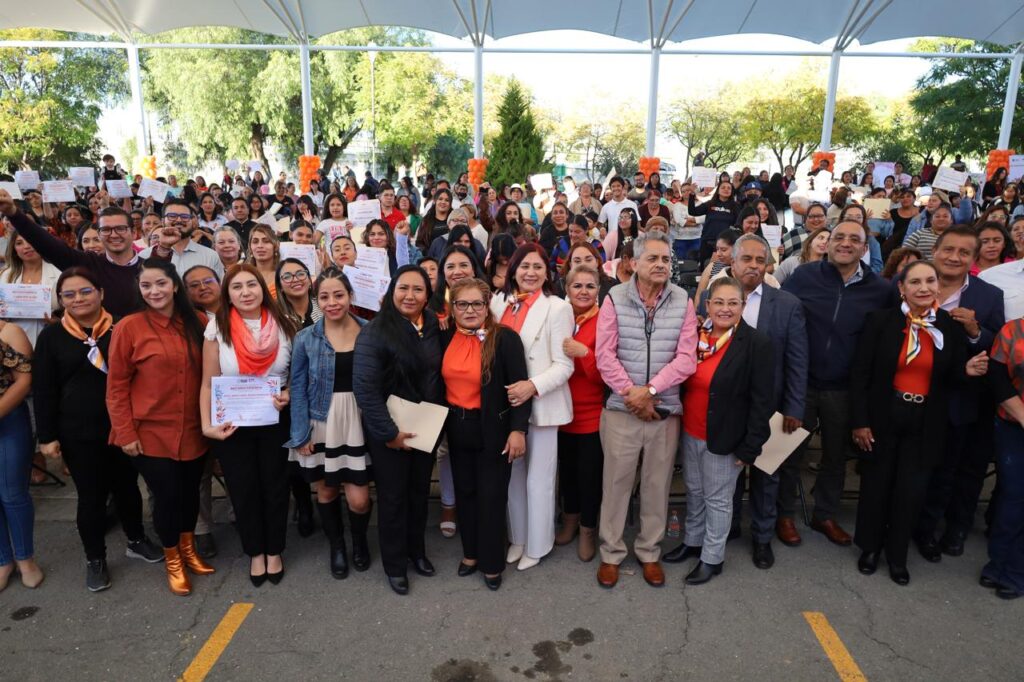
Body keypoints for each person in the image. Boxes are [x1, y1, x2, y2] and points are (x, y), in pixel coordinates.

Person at [851, 261, 987, 585]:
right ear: (902, 288)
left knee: (910, 492)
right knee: (877, 485)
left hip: (925, 420)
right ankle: (870, 548)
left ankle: (897, 555)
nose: (923, 288)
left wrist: (966, 372)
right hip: (885, 415)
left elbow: (952, 376)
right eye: (915, 282)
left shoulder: (948, 328)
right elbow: (860, 376)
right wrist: (860, 421)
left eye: (930, 281)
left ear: (938, 287)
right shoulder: (880, 322)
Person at [33, 268, 162, 591]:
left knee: (128, 488)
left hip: (124, 426)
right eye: (69, 295)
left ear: (101, 293)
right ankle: (95, 558)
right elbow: (44, 389)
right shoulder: (52, 337)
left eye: (85, 291)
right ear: (61, 300)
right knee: (90, 497)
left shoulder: (123, 326)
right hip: (78, 432)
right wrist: (47, 437)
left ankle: (135, 539)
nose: (78, 299)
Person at [594, 230, 698, 589]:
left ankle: (649, 551)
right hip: (623, 410)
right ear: (633, 263)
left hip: (664, 411)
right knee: (616, 485)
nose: (660, 265)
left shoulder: (683, 299)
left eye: (666, 259)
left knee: (658, 486)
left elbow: (687, 358)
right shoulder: (614, 298)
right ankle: (611, 552)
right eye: (652, 258)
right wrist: (631, 394)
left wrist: (651, 391)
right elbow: (604, 355)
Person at [778, 221, 891, 547]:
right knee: (785, 452)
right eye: (839, 237)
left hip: (845, 388)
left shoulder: (880, 290)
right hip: (800, 383)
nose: (845, 243)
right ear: (826, 244)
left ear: (864, 247)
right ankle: (783, 513)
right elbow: (782, 318)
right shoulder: (804, 276)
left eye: (854, 239)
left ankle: (824, 513)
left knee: (835, 457)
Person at [699, 235, 807, 569]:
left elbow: (798, 360)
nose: (754, 266)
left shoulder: (787, 304)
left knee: (766, 476)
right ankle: (728, 528)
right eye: (747, 259)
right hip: (727, 408)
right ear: (732, 262)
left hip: (771, 406)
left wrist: (794, 407)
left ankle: (762, 538)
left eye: (761, 261)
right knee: (727, 473)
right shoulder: (712, 299)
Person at [106, 259, 212, 596]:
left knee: (190, 492)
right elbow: (117, 386)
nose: (154, 291)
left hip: (193, 428)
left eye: (160, 284)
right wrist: (125, 433)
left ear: (175, 285)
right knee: (167, 497)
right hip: (149, 433)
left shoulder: (197, 321)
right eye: (147, 286)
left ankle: (189, 548)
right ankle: (173, 559)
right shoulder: (129, 327)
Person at [670, 277, 775, 584]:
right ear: (707, 305)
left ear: (743, 306)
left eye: (733, 303)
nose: (725, 309)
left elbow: (762, 401)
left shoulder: (757, 344)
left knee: (717, 499)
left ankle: (712, 557)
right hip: (691, 430)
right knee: (695, 490)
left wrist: (750, 446)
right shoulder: (695, 337)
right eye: (718, 302)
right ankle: (692, 541)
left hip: (726, 437)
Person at [912, 227, 1004, 561]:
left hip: (959, 402)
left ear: (974, 258)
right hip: (912, 394)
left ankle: (936, 530)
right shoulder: (912, 283)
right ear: (934, 250)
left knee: (949, 470)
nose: (954, 257)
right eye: (948, 249)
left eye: (964, 253)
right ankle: (905, 524)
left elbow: (998, 345)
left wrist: (976, 331)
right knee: (913, 467)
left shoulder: (988, 295)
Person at [199, 264, 294, 587]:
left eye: (251, 285)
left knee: (275, 485)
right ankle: (255, 551)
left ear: (262, 289)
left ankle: (275, 549)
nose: (245, 292)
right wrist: (206, 425)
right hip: (233, 424)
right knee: (243, 488)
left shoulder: (284, 325)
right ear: (228, 294)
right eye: (237, 287)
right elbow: (208, 383)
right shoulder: (217, 328)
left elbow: (297, 375)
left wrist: (288, 393)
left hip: (274, 419)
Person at [352, 266, 444, 595]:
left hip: (426, 425)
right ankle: (395, 564)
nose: (410, 295)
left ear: (427, 294)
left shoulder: (433, 324)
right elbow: (365, 389)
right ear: (392, 290)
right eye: (403, 288)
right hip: (390, 430)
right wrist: (389, 433)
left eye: (418, 289)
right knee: (392, 498)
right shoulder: (375, 331)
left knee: (418, 492)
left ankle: (416, 552)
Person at [440, 278, 529, 590]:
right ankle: (471, 554)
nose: (469, 310)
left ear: (487, 305)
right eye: (462, 304)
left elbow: (519, 390)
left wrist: (518, 430)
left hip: (493, 427)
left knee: (491, 496)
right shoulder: (444, 337)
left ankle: (492, 563)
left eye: (477, 303)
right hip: (456, 426)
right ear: (452, 308)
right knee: (465, 491)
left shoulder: (505, 339)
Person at [490, 244, 574, 571]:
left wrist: (532, 386)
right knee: (513, 476)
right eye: (524, 266)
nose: (530, 273)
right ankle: (519, 538)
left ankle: (538, 545)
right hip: (507, 404)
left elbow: (564, 365)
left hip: (541, 404)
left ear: (547, 272)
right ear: (513, 269)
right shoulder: (500, 303)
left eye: (538, 267)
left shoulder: (557, 308)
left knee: (539, 479)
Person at [286, 268, 373, 579]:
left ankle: (360, 541)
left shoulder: (369, 331)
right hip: (321, 420)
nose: (332, 302)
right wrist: (300, 434)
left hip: (359, 421)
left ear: (350, 296)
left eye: (339, 295)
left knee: (359, 498)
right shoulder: (306, 337)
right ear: (316, 300)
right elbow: (296, 387)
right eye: (324, 296)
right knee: (326, 491)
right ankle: (337, 546)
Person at [0, 198, 141, 316]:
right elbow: (46, 243)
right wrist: (13, 213)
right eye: (106, 230)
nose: (114, 235)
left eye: (121, 228)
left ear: (134, 233)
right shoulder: (87, 263)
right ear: (99, 234)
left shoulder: (150, 268)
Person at [554, 265, 606, 562]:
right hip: (561, 412)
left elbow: (608, 373)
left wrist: (585, 354)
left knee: (589, 476)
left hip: (591, 414)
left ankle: (588, 528)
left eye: (590, 286)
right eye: (577, 286)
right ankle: (570, 520)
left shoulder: (603, 320)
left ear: (599, 289)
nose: (583, 291)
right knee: (568, 473)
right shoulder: (559, 318)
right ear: (567, 289)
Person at [984, 316, 1024, 599]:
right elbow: (997, 379)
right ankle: (997, 562)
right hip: (1013, 423)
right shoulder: (1013, 330)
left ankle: (1016, 572)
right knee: (1012, 496)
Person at [0, 235, 61, 348]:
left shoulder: (59, 273)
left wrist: (58, 322)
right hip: (12, 344)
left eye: (30, 240)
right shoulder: (5, 275)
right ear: (14, 249)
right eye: (19, 243)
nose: (26, 247)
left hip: (51, 340)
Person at [688, 180, 739, 266]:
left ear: (732, 191)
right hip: (707, 242)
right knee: (705, 268)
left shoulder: (736, 206)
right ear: (718, 190)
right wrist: (692, 194)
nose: (726, 189)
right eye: (723, 187)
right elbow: (692, 211)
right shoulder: (710, 204)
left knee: (722, 269)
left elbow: (738, 224)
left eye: (729, 188)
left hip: (726, 244)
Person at [246, 225, 281, 299]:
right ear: (250, 247)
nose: (260, 246)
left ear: (275, 246)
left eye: (266, 241)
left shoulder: (283, 275)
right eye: (255, 242)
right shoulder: (243, 275)